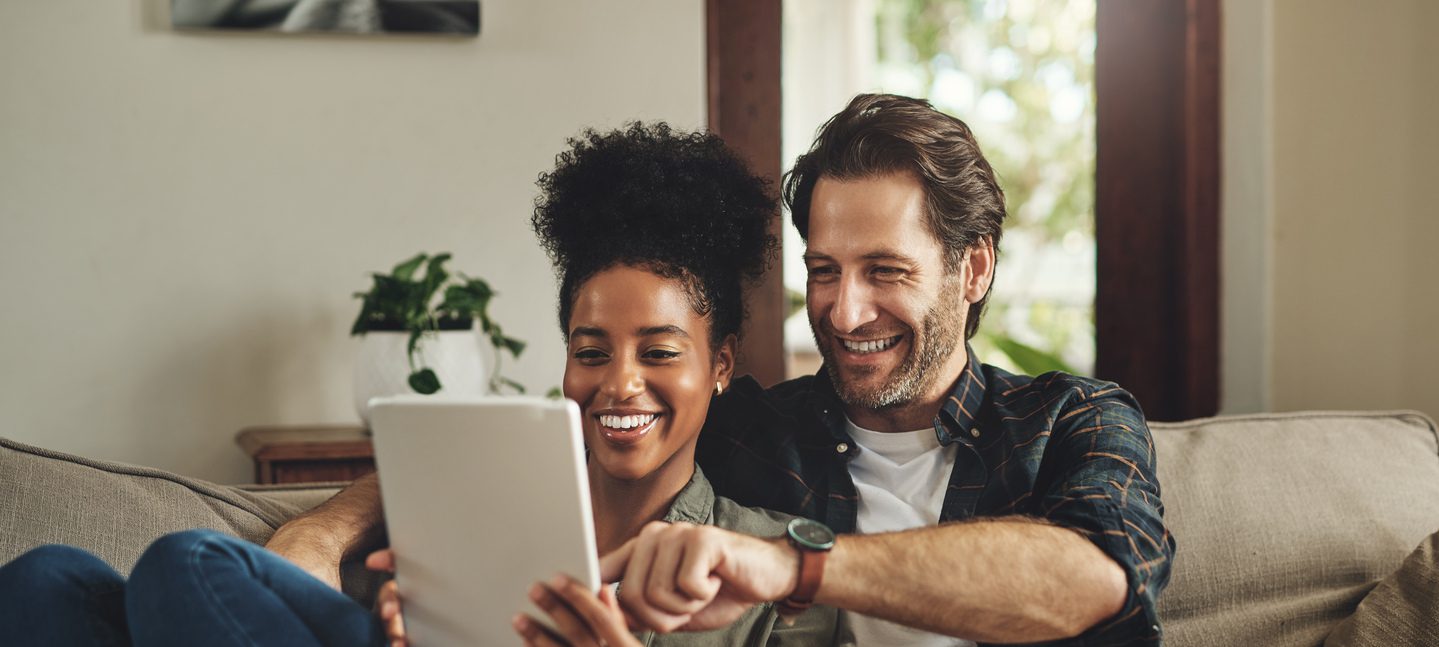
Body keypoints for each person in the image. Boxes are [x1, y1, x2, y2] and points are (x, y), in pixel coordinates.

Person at [267, 93, 1175, 646]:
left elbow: (1093, 579)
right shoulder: (753, 428)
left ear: (972, 269)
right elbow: (535, 452)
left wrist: (793, 566)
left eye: (884, 271)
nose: (844, 311)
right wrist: (323, 532)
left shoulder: (1075, 420)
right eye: (823, 270)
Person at [0, 123, 848, 647]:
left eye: (659, 351)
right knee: (41, 581)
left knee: (183, 564)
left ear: (722, 363)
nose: (619, 382)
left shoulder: (765, 568)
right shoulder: (471, 503)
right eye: (591, 350)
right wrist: (338, 547)